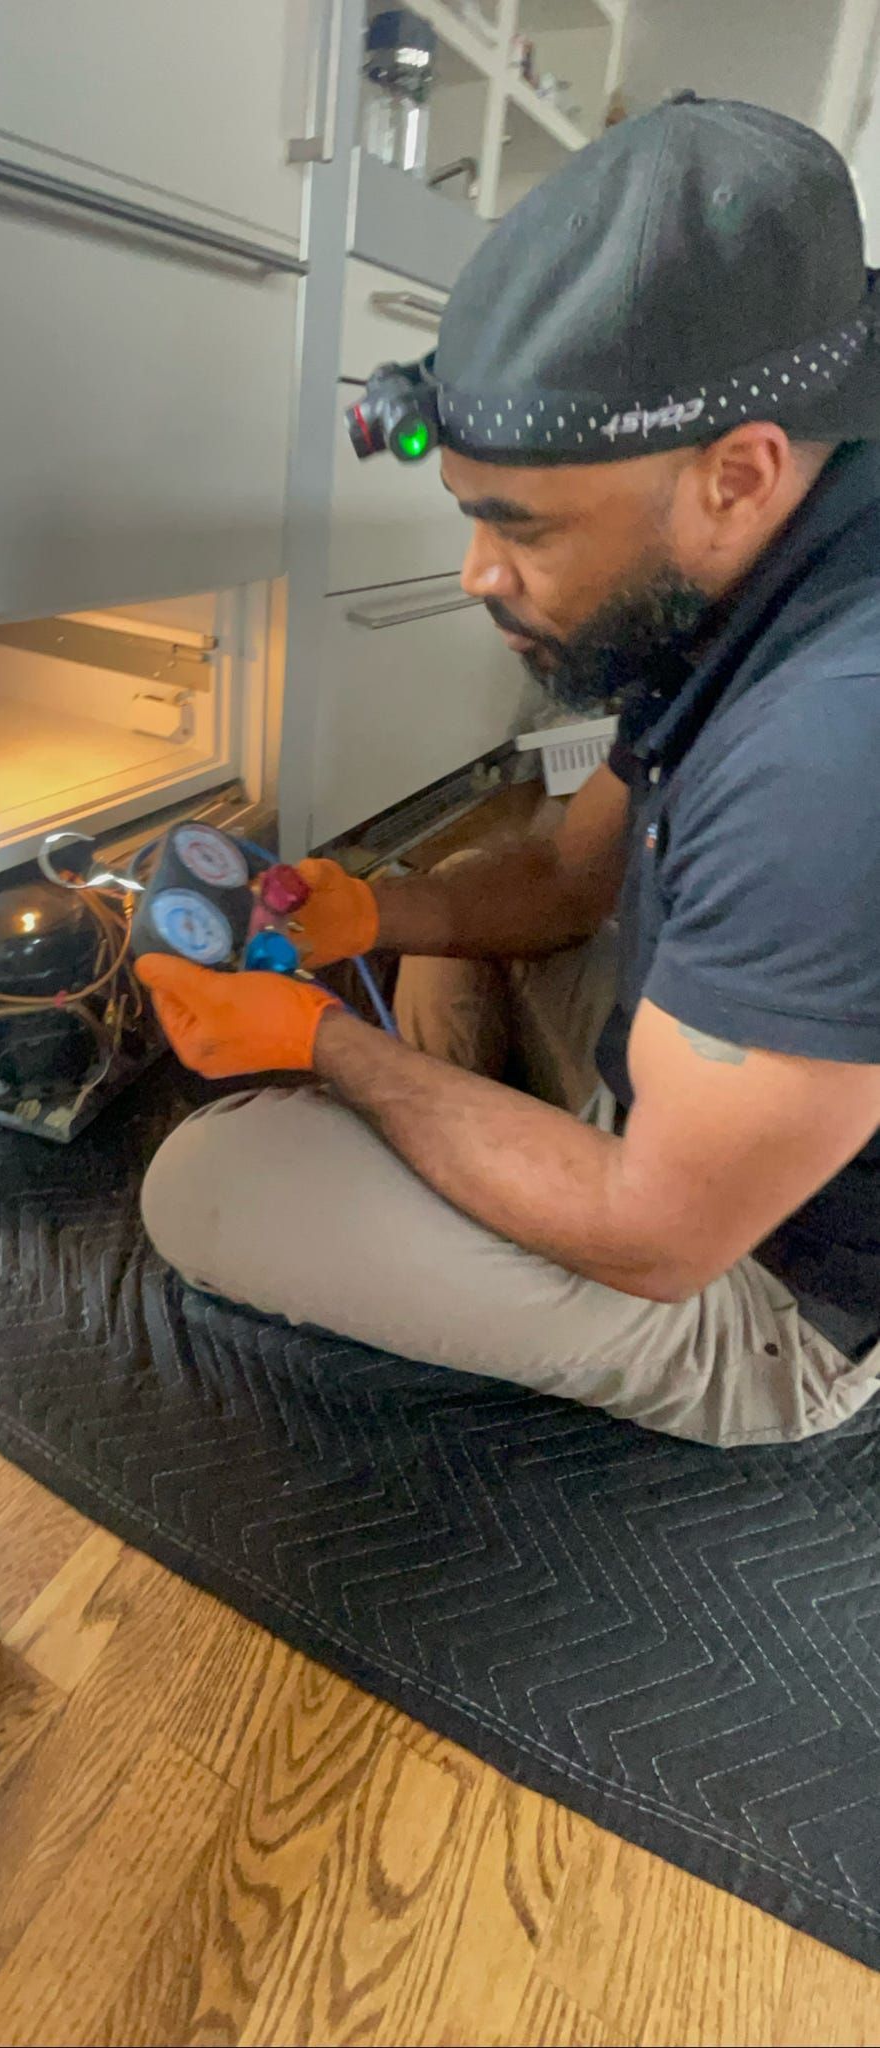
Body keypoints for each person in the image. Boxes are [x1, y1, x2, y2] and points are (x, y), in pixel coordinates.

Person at [137, 94, 880, 1449]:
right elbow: (558, 874)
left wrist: (328, 1049)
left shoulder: (830, 759)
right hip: (712, 1105)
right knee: (452, 912)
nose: (481, 576)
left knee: (202, 1187)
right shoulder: (785, 536)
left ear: (737, 474)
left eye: (518, 528)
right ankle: (486, 1175)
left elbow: (659, 1237)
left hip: (767, 1287)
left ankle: (493, 1247)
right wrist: (376, 909)